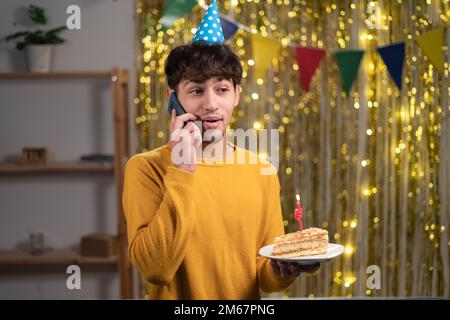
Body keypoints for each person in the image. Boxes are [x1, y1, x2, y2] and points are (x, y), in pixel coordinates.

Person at [122, 0, 319, 300]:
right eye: (197, 90)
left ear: (237, 94)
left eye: (222, 89)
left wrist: (282, 270)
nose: (211, 104)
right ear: (173, 98)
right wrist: (183, 169)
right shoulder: (145, 168)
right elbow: (156, 269)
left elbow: (263, 275)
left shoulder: (261, 170)